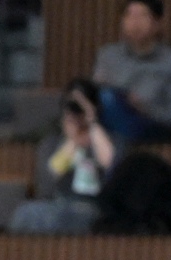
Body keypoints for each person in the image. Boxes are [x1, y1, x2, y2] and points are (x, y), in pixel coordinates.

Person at [11, 77, 121, 233]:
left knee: (62, 218)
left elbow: (110, 164)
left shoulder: (109, 141)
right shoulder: (52, 143)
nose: (76, 111)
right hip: (60, 202)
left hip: (95, 205)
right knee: (26, 212)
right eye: (71, 105)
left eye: (82, 105)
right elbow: (50, 177)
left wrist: (92, 122)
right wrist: (73, 141)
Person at [88, 0, 171, 141]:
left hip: (150, 124)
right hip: (108, 118)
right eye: (129, 15)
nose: (135, 22)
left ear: (157, 24)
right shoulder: (108, 56)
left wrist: (144, 108)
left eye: (142, 16)